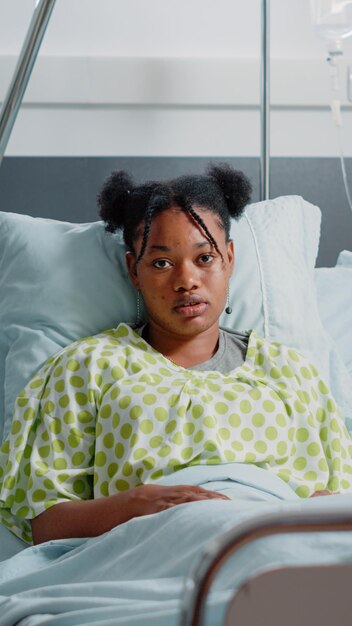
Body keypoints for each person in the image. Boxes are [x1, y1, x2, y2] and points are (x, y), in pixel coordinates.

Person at [0, 163, 351, 546]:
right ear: (134, 271)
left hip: (273, 545)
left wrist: (318, 509)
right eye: (161, 263)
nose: (186, 281)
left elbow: (338, 500)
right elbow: (45, 524)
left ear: (229, 259)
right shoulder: (89, 368)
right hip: (152, 548)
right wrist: (134, 505)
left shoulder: (292, 374)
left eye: (204, 258)